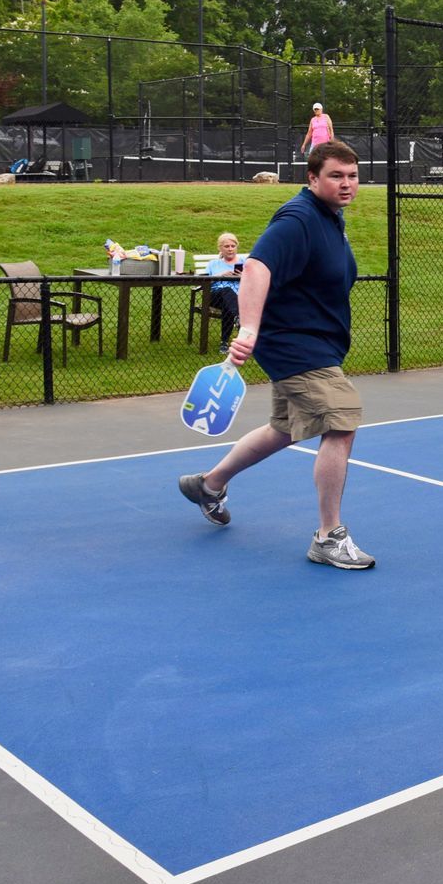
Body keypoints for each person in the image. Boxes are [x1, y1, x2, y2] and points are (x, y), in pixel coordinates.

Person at [177, 140, 374, 570]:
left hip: (316, 343)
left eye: (352, 176)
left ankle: (209, 485)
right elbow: (257, 268)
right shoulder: (298, 217)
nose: (346, 184)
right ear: (312, 178)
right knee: (341, 421)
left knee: (283, 429)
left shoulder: (329, 218)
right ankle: (328, 536)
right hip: (294, 345)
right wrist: (248, 327)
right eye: (335, 176)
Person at [199, 231, 246, 350]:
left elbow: (256, 281)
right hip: (215, 297)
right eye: (226, 246)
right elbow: (203, 282)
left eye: (233, 246)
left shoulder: (244, 263)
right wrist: (221, 275)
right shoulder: (213, 264)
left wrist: (243, 276)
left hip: (239, 298)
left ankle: (224, 342)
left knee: (228, 305)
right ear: (220, 248)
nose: (230, 249)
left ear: (236, 247)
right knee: (226, 290)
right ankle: (238, 317)